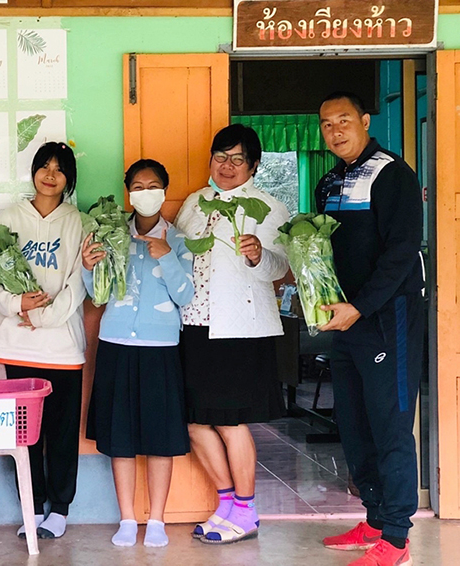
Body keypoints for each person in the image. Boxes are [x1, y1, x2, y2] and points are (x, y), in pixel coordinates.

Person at [315, 92, 424, 566]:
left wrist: (360, 306)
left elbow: (401, 252)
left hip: (386, 319)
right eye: (326, 124)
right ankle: (375, 519)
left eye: (344, 120)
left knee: (390, 425)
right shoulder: (328, 182)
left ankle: (396, 537)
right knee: (355, 423)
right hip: (346, 321)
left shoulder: (393, 174)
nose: (335, 130)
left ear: (364, 121)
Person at [176, 124, 289, 544]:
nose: (226, 166)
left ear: (254, 165)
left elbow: (283, 268)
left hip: (239, 329)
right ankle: (226, 504)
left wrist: (260, 255)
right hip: (193, 325)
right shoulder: (194, 203)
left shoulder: (269, 207)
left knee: (231, 422)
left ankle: (246, 509)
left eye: (237, 159)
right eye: (220, 157)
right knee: (194, 421)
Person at [0, 141, 86, 540]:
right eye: (44, 166)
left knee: (61, 433)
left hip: (63, 348)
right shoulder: (8, 218)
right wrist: (14, 303)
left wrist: (41, 316)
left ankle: (60, 510)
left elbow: (80, 282)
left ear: (69, 178)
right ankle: (32, 507)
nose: (50, 174)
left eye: (60, 168)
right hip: (16, 346)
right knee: (23, 435)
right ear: (33, 171)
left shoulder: (80, 223)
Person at [83, 159, 195, 548]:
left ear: (165, 190)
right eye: (138, 186)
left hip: (160, 349)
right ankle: (127, 519)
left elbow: (185, 295)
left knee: (161, 438)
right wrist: (87, 267)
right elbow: (97, 294)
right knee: (121, 438)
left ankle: (158, 520)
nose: (146, 193)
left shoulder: (179, 240)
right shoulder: (113, 236)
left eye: (153, 186)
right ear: (128, 191)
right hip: (116, 345)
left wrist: (166, 254)